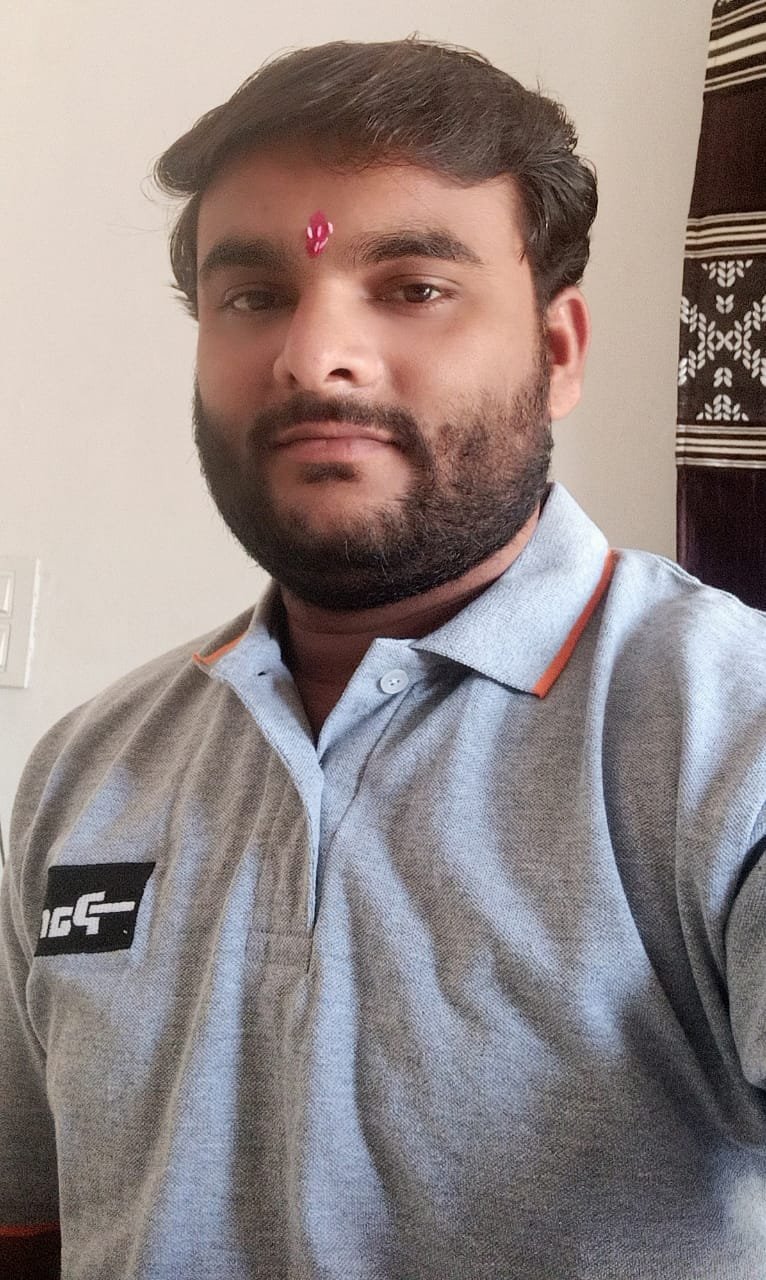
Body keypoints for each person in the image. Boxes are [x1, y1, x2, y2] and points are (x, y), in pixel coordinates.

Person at [1, 37, 765, 1280]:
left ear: (560, 352)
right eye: (254, 296)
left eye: (412, 286)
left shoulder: (729, 732)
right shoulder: (83, 772)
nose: (313, 357)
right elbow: (30, 1221)